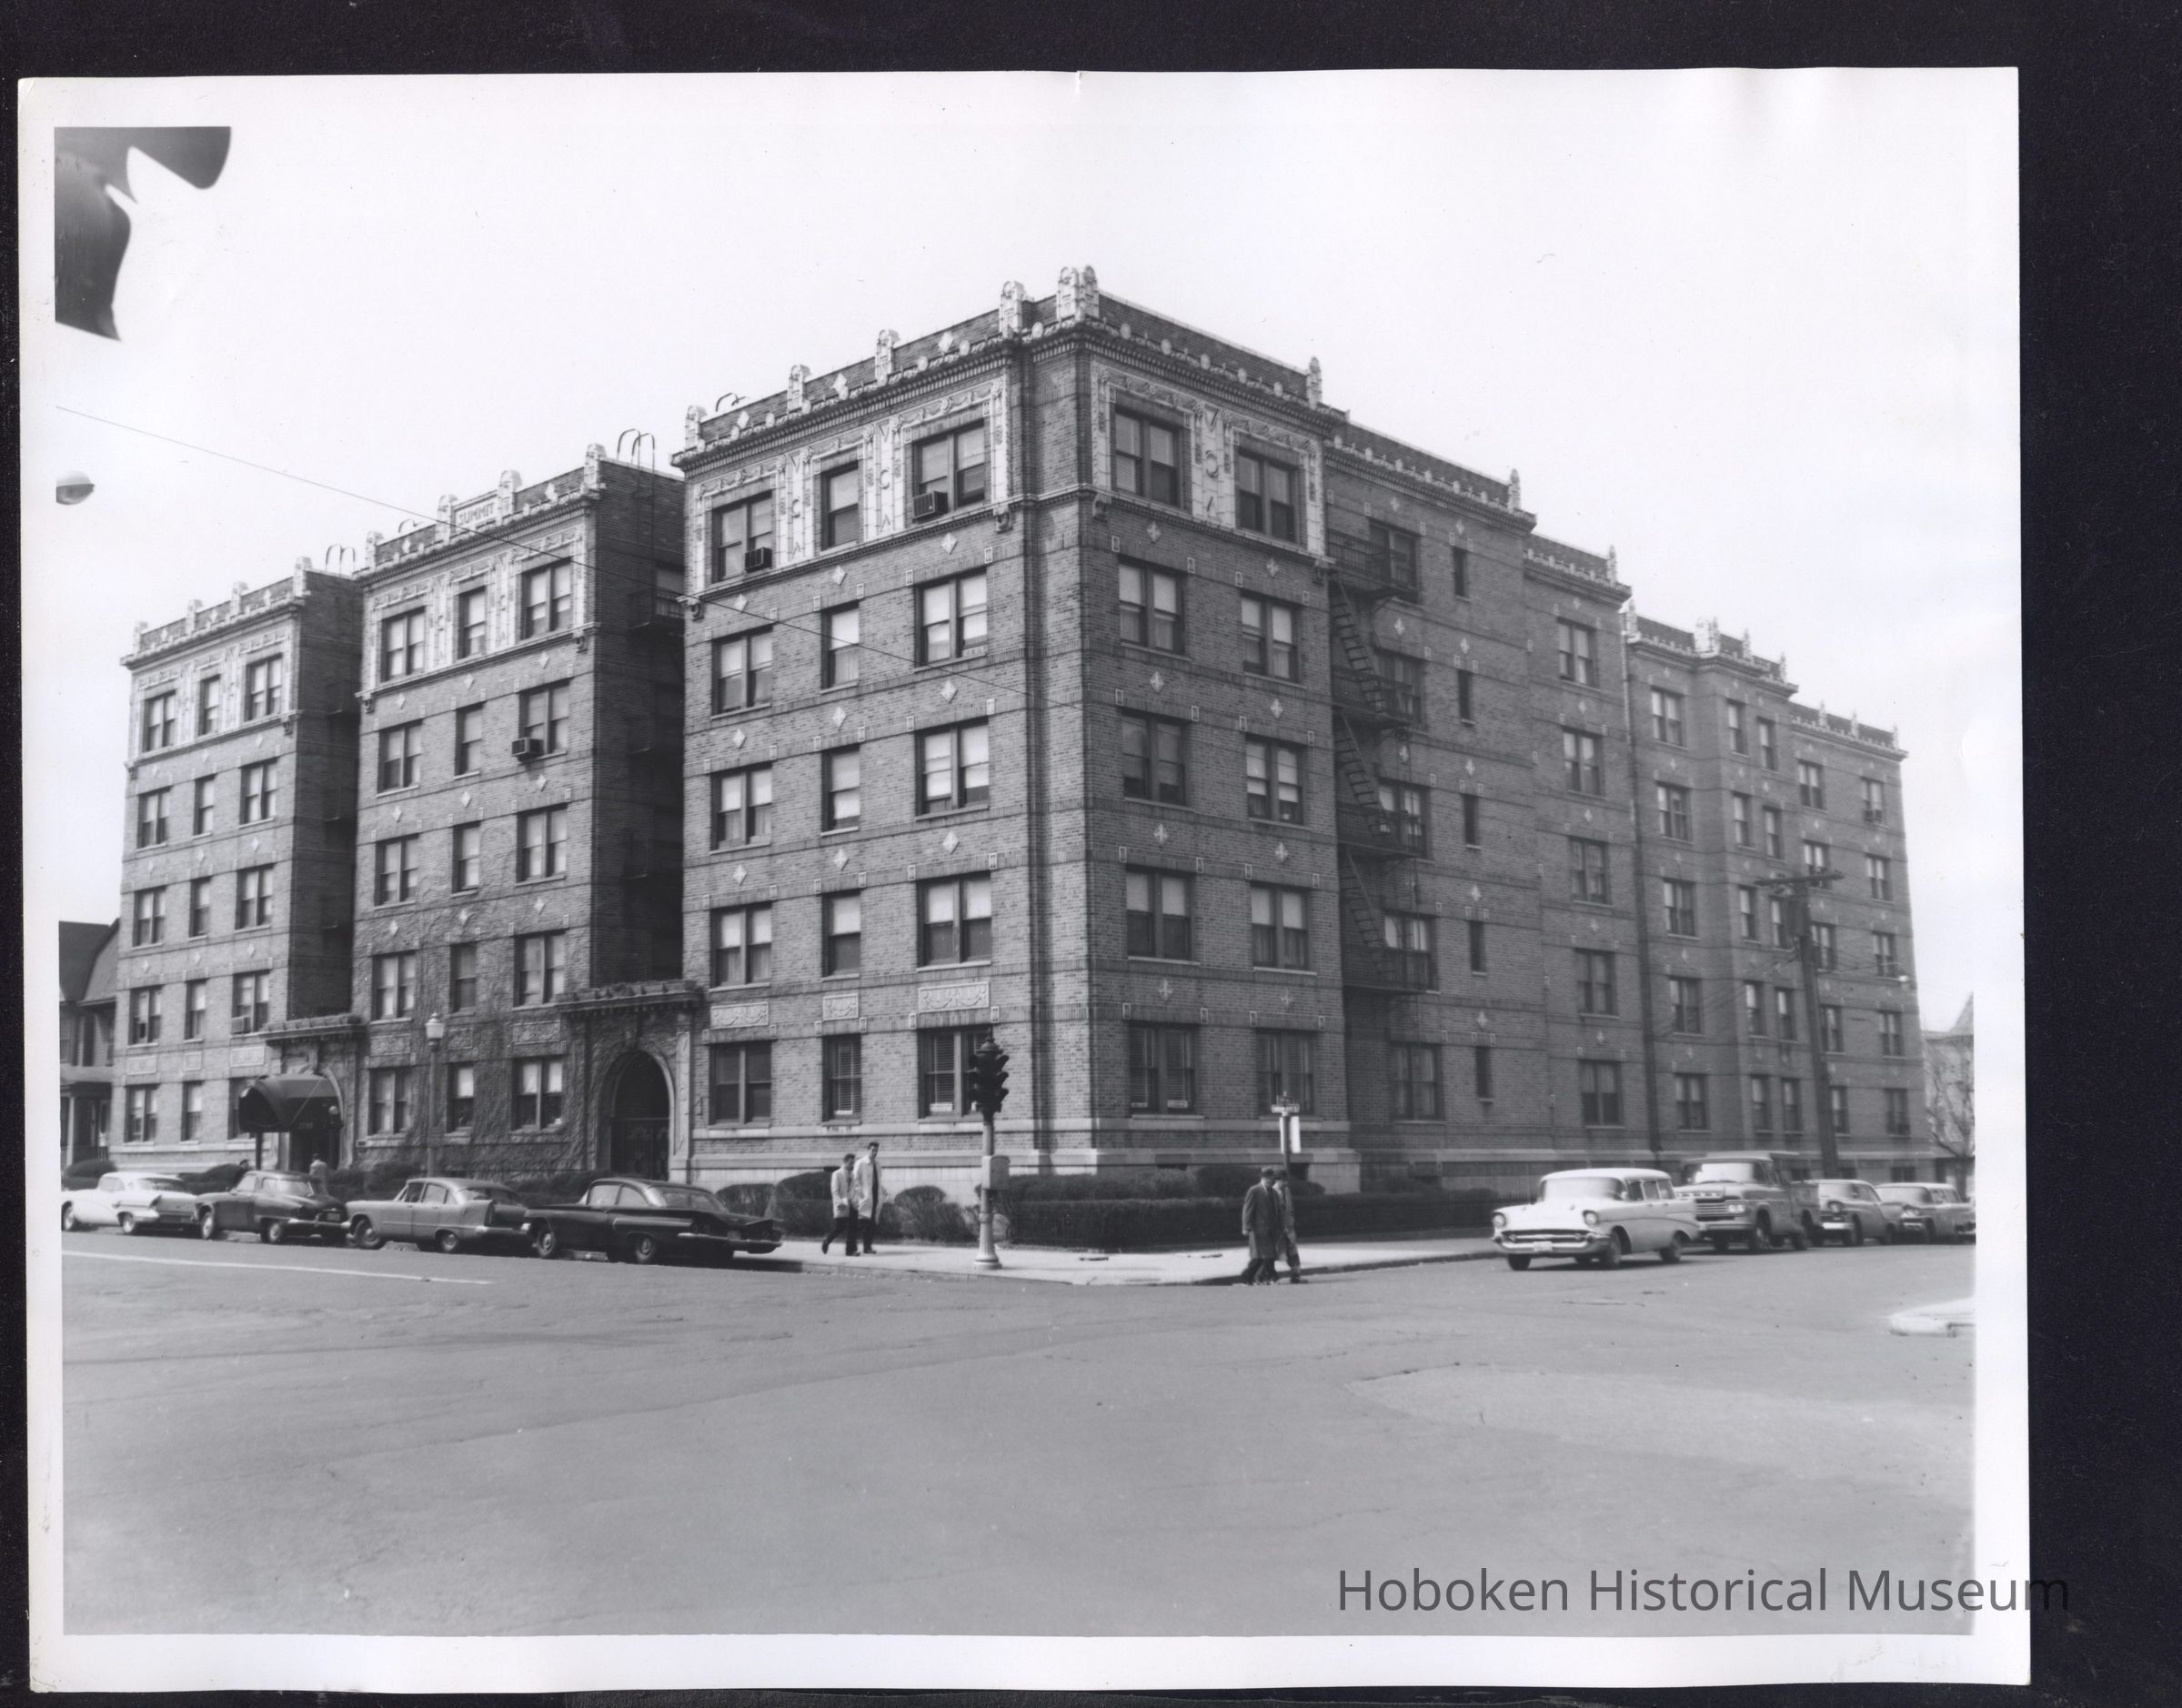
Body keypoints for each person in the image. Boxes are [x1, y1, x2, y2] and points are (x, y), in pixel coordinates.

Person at [1240, 1167, 1284, 1284]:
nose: (1269, 1180)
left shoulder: (1274, 1192)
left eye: (1271, 1178)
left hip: (1271, 1229)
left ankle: (1255, 1277)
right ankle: (1253, 1277)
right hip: (1258, 1229)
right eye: (1267, 1178)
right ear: (1262, 1178)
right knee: (1263, 1255)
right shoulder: (1254, 1190)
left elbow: (1278, 1211)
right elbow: (1248, 1209)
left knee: (1267, 1255)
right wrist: (1246, 1227)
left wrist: (1281, 1225)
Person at [821, 1150, 860, 1254]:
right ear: (845, 1162)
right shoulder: (837, 1174)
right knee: (840, 1228)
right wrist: (839, 1203)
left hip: (851, 1204)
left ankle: (850, 1250)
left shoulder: (852, 1175)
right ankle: (827, 1240)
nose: (852, 1165)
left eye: (853, 1163)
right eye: (850, 1163)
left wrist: (855, 1200)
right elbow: (835, 1191)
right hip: (842, 1205)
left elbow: (854, 1189)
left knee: (852, 1227)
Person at [1272, 1170, 1305, 1282]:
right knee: (1276, 1251)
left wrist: (1291, 1221)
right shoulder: (1272, 1191)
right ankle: (1270, 1275)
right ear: (1277, 1180)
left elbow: (1290, 1208)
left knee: (1293, 1250)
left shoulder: (1286, 1190)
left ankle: (1296, 1274)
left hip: (1289, 1226)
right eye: (1283, 1180)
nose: (1285, 1183)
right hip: (1278, 1228)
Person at [852, 1140, 882, 1254]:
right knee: (861, 1224)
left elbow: (878, 1181)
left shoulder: (877, 1165)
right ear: (868, 1149)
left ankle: (867, 1247)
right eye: (873, 1150)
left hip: (874, 1197)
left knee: (871, 1224)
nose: (874, 1153)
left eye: (876, 1151)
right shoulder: (861, 1163)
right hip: (864, 1198)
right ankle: (851, 1246)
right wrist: (860, 1193)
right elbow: (855, 1179)